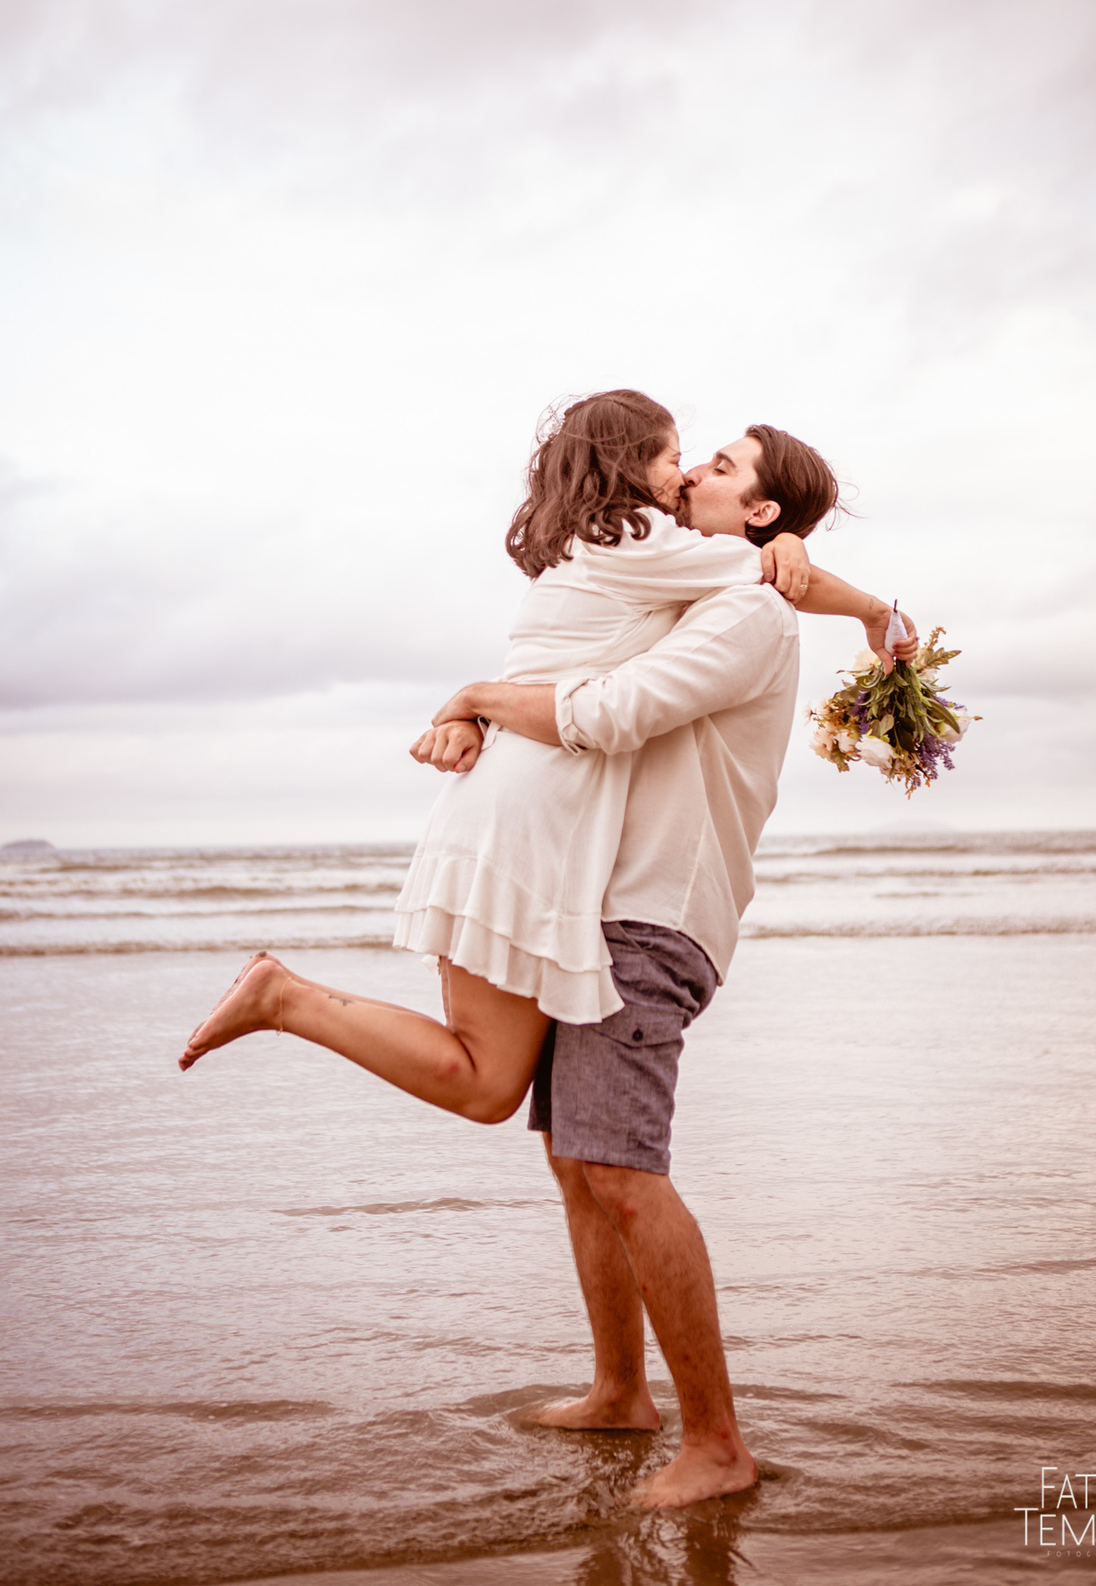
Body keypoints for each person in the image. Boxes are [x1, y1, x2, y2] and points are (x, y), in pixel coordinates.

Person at [419, 429, 917, 1509]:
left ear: (765, 517)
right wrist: (867, 606)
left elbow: (602, 716)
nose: (694, 473)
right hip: (599, 905)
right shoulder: (707, 587)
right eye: (700, 459)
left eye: (725, 468)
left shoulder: (743, 611)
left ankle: (718, 1445)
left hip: (653, 916)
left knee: (624, 1172)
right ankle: (618, 1392)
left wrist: (473, 694)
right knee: (576, 1158)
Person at [178, 393, 814, 1114]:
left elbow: (547, 671)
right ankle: (286, 1000)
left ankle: (287, 999)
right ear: (631, 466)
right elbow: (767, 584)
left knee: (491, 1083)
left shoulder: (604, 551)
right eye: (676, 457)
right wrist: (836, 587)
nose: (690, 474)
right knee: (486, 1085)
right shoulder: (648, 551)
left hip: (515, 809)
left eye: (707, 463)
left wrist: (478, 709)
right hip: (528, 820)